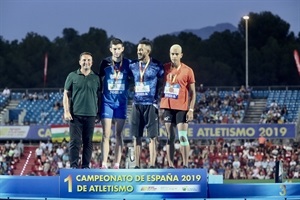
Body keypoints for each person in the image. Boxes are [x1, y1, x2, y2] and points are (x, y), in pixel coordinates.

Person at [129, 39, 164, 169]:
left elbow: (163, 79)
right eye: (138, 49)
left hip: (151, 104)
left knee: (152, 137)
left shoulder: (157, 66)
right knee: (136, 136)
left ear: (148, 51)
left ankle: (152, 164)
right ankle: (137, 165)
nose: (138, 51)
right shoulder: (133, 65)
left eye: (141, 49)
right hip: (136, 104)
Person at [160, 44, 196, 168]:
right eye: (172, 54)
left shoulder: (188, 70)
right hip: (168, 106)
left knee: (182, 136)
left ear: (181, 55)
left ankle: (185, 164)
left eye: (176, 54)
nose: (174, 56)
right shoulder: (164, 68)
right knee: (170, 137)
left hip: (182, 107)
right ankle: (170, 165)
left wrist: (191, 109)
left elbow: (193, 92)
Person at [98, 38, 133, 169]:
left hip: (121, 103)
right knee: (106, 134)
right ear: (110, 49)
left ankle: (117, 164)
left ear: (122, 48)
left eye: (119, 48)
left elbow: (136, 78)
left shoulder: (128, 64)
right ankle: (104, 163)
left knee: (118, 134)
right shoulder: (105, 63)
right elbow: (99, 80)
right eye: (114, 48)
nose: (117, 51)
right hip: (107, 102)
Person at [63, 52, 101, 169]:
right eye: (84, 60)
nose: (86, 62)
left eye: (89, 60)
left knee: (88, 142)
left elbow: (99, 96)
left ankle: (85, 166)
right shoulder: (72, 76)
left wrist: (98, 113)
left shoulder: (96, 78)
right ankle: (74, 166)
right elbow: (66, 94)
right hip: (75, 115)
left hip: (91, 114)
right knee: (75, 142)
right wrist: (66, 111)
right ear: (80, 62)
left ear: (92, 62)